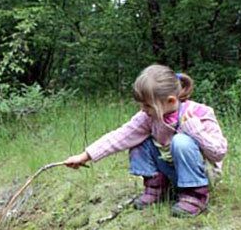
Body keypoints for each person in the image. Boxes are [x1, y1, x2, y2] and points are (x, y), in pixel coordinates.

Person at [64, 64, 227, 217]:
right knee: (137, 141)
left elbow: (218, 153)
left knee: (181, 142)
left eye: (148, 106)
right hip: (172, 171)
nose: (143, 110)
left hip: (203, 173)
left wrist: (196, 132)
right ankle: (157, 188)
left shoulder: (200, 113)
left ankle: (195, 195)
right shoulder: (148, 117)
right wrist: (85, 156)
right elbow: (121, 136)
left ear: (170, 101)